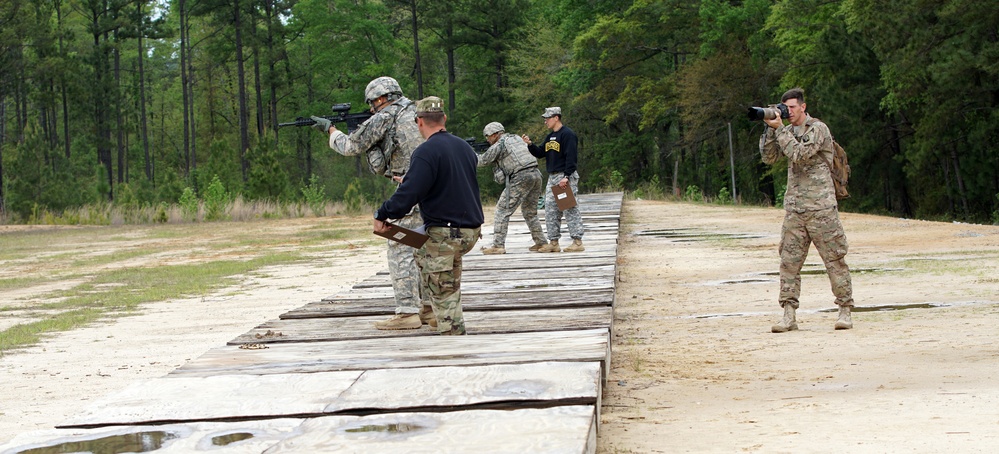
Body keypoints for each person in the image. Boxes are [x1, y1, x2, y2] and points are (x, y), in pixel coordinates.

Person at [311, 76, 431, 330]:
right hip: (434, 190)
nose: (371, 109)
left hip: (409, 190)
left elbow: (350, 146)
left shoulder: (385, 117)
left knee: (400, 248)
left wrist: (332, 131)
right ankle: (429, 309)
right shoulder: (418, 110)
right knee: (424, 248)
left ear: (380, 99)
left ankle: (408, 312)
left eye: (372, 104)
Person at [373, 96, 484, 335]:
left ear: (419, 122)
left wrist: (382, 213)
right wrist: (415, 180)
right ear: (444, 118)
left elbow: (406, 197)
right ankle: (432, 312)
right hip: (470, 230)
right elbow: (452, 182)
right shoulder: (465, 147)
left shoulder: (425, 152)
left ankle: (452, 341)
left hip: (446, 233)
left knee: (442, 288)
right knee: (433, 265)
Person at [760, 87, 854, 332]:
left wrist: (780, 130)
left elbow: (799, 154)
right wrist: (770, 129)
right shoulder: (785, 131)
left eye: (791, 107)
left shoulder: (819, 129)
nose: (788, 112)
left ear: (803, 106)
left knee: (834, 260)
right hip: (795, 209)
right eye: (785, 108)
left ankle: (844, 310)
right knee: (789, 263)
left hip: (821, 208)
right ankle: (788, 315)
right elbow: (769, 158)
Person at [476, 122, 547, 254]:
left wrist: (467, 155)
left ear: (496, 134)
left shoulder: (499, 144)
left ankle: (498, 245)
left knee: (502, 210)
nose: (487, 139)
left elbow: (482, 161)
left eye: (488, 136)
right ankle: (541, 242)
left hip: (521, 177)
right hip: (536, 174)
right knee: (530, 212)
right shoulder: (516, 138)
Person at [522, 107, 585, 253]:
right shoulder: (550, 137)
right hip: (552, 177)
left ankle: (577, 241)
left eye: (547, 118)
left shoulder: (568, 135)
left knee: (569, 208)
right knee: (550, 209)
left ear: (556, 118)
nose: (545, 121)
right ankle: (554, 242)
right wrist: (530, 145)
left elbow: (571, 157)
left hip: (564, 176)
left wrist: (567, 177)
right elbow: (540, 153)